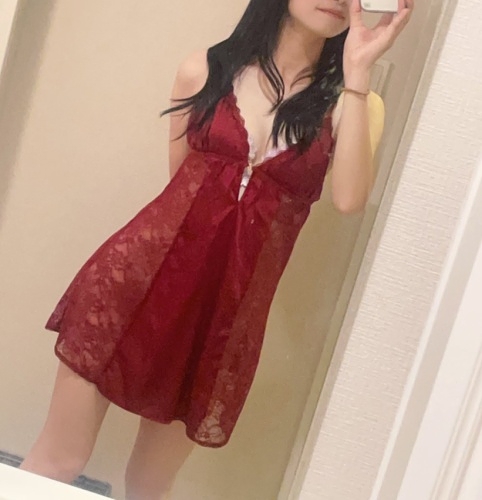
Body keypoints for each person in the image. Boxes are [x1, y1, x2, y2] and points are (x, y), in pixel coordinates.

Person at [19, 0, 413, 498]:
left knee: (149, 484)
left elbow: (350, 199)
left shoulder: (354, 103)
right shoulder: (203, 71)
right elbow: (178, 192)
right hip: (130, 289)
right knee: (60, 460)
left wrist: (357, 73)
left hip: (221, 322)